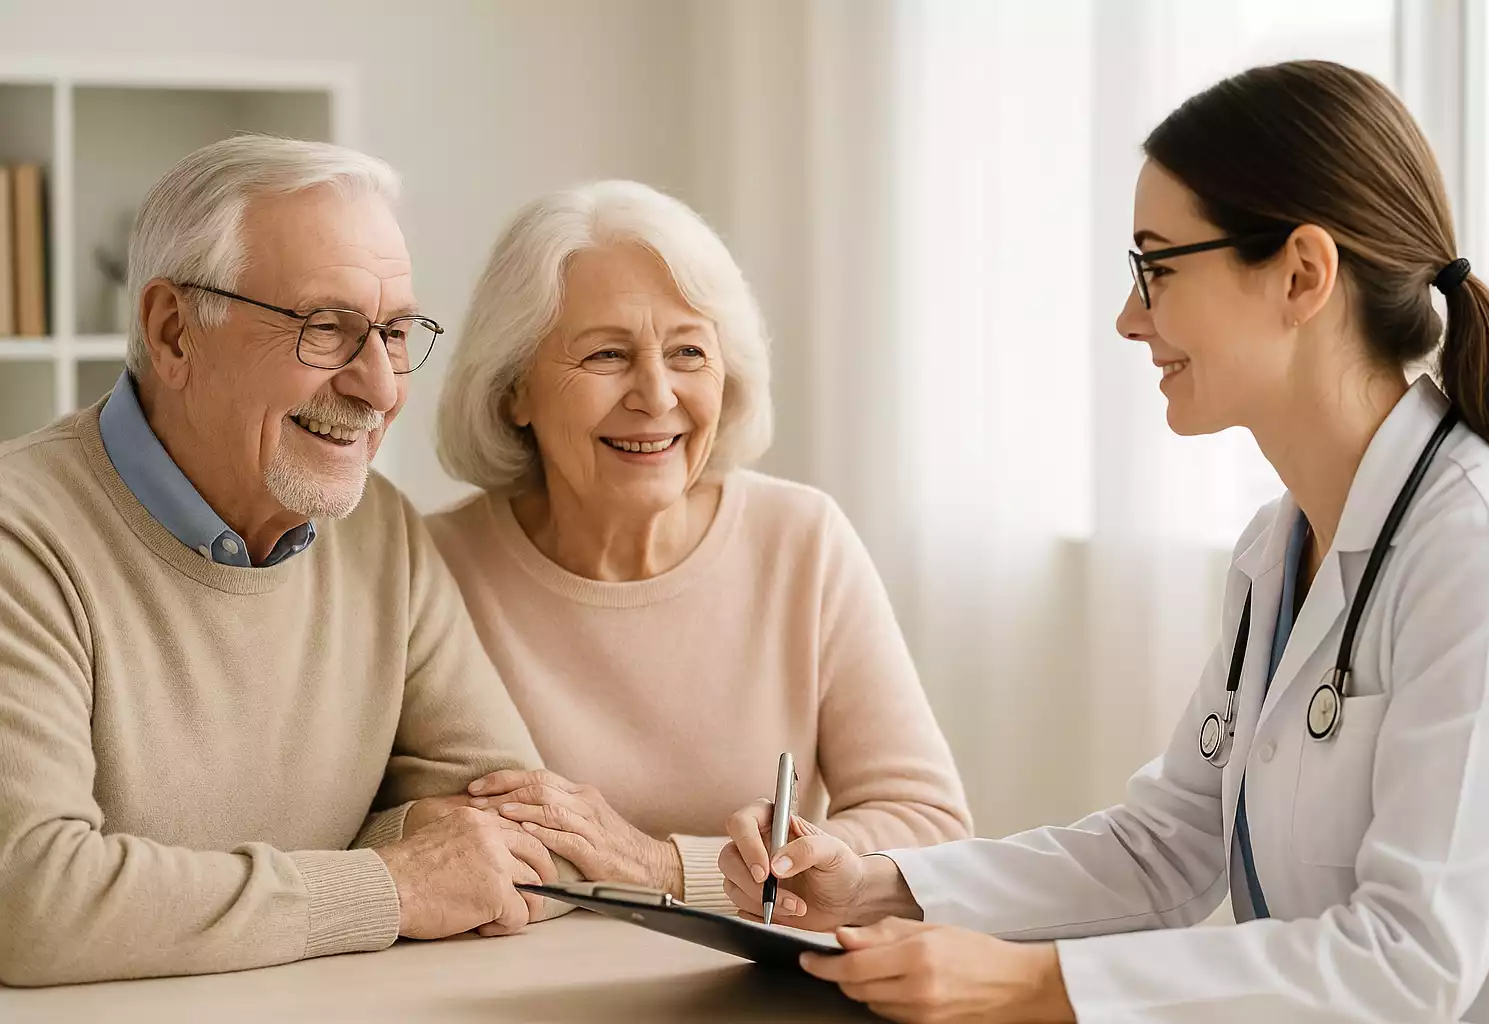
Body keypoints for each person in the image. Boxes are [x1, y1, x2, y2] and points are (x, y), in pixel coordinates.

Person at [717, 60, 1489, 1024]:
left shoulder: (1488, 549)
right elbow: (1171, 845)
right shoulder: (1278, 549)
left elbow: (1408, 965)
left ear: (1302, 275)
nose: (1129, 317)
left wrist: (1030, 984)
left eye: (1157, 266)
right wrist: (875, 885)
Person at [0, 136, 571, 987]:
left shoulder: (382, 532)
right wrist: (390, 882)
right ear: (173, 332)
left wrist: (169, 894)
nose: (379, 388)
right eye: (326, 329)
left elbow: (526, 842)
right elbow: (34, 905)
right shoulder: (23, 536)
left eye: (396, 331)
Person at [426, 180, 971, 910]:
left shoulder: (801, 541)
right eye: (607, 355)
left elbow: (930, 825)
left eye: (688, 351)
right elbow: (417, 832)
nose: (657, 395)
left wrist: (667, 867)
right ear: (513, 389)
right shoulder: (432, 568)